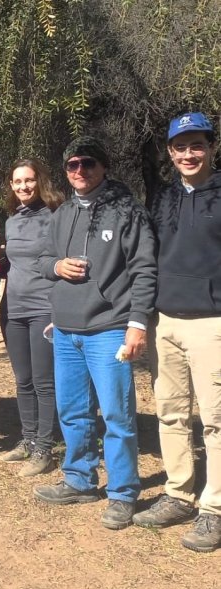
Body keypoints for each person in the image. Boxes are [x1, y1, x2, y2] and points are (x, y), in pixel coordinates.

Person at [33, 136, 157, 531]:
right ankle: (80, 479)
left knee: (118, 416)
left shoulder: (127, 211)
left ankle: (122, 493)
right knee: (73, 411)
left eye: (87, 163)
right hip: (67, 329)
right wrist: (56, 268)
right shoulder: (62, 212)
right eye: (72, 165)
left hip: (109, 327)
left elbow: (144, 269)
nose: (80, 171)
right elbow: (42, 259)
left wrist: (137, 323)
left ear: (103, 167)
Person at [132, 112, 220, 552]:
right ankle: (180, 494)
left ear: (211, 147)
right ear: (170, 152)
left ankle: (215, 510)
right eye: (180, 147)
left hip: (212, 325)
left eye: (197, 144)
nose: (189, 154)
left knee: (217, 421)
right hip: (165, 322)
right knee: (170, 413)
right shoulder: (162, 198)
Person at [0, 158, 63, 475]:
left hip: (44, 309)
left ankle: (45, 449)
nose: (23, 186)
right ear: (11, 186)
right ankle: (27, 439)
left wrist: (60, 311)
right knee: (23, 381)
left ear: (40, 181)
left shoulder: (56, 215)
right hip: (13, 310)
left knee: (43, 382)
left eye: (29, 180)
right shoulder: (11, 220)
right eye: (17, 181)